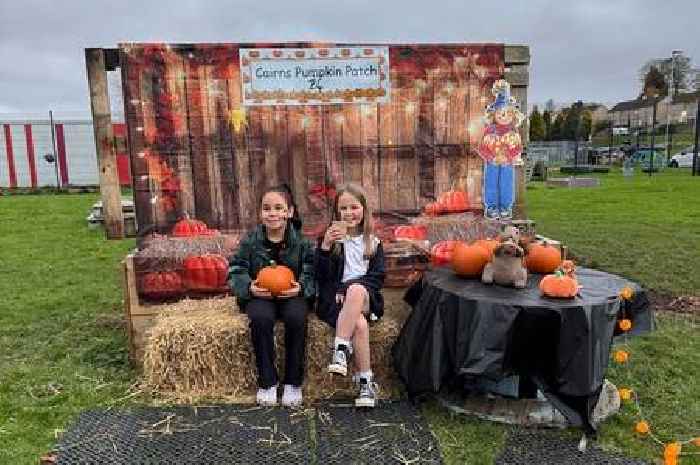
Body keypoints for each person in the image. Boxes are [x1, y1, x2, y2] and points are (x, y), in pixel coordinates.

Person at [228, 184, 316, 407]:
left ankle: (292, 382)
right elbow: (236, 268)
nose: (273, 213)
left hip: (291, 294)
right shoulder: (251, 241)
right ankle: (267, 381)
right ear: (260, 213)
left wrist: (302, 287)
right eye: (267, 208)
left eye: (279, 208)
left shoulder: (302, 242)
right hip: (262, 295)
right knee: (260, 319)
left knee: (297, 318)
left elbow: (312, 269)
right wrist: (249, 287)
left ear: (290, 212)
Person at [315, 183, 386, 408]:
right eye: (343, 209)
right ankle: (366, 384)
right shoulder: (332, 240)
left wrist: (349, 288)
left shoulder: (373, 243)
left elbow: (377, 278)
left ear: (364, 210)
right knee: (360, 325)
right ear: (337, 213)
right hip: (336, 301)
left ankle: (340, 349)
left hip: (364, 298)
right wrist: (325, 247)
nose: (349, 213)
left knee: (355, 290)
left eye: (354, 207)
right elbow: (321, 276)